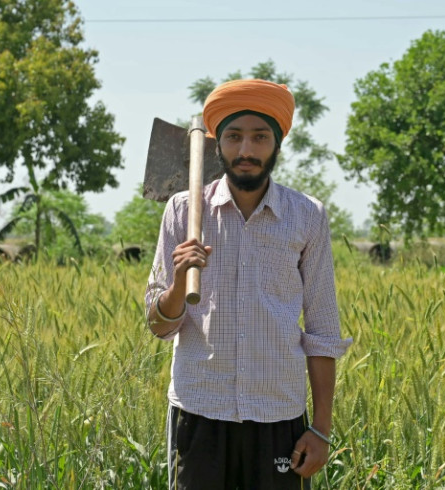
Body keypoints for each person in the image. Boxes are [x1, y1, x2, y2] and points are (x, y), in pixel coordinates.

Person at [145, 78, 352, 490]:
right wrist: (179, 282)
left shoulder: (307, 216)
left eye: (259, 138)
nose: (246, 151)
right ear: (216, 144)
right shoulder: (184, 209)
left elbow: (323, 332)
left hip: (279, 416)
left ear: (276, 145)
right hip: (199, 413)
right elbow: (159, 325)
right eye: (234, 137)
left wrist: (322, 429)